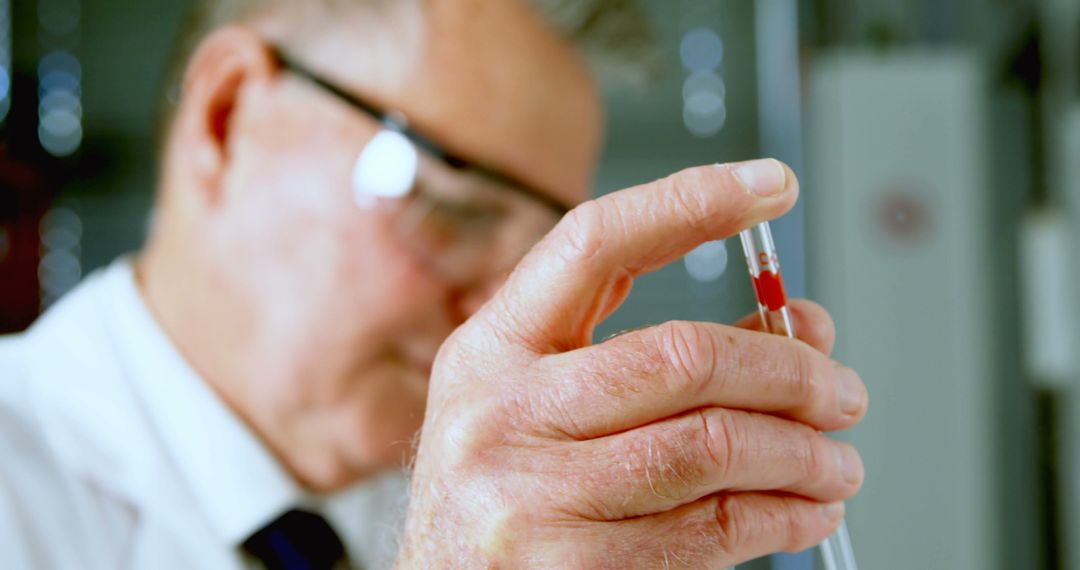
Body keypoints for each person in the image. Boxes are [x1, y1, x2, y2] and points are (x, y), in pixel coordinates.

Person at [0, 0, 869, 568]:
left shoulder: (514, 530)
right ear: (228, 117)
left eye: (540, 250)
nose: (498, 306)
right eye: (454, 208)